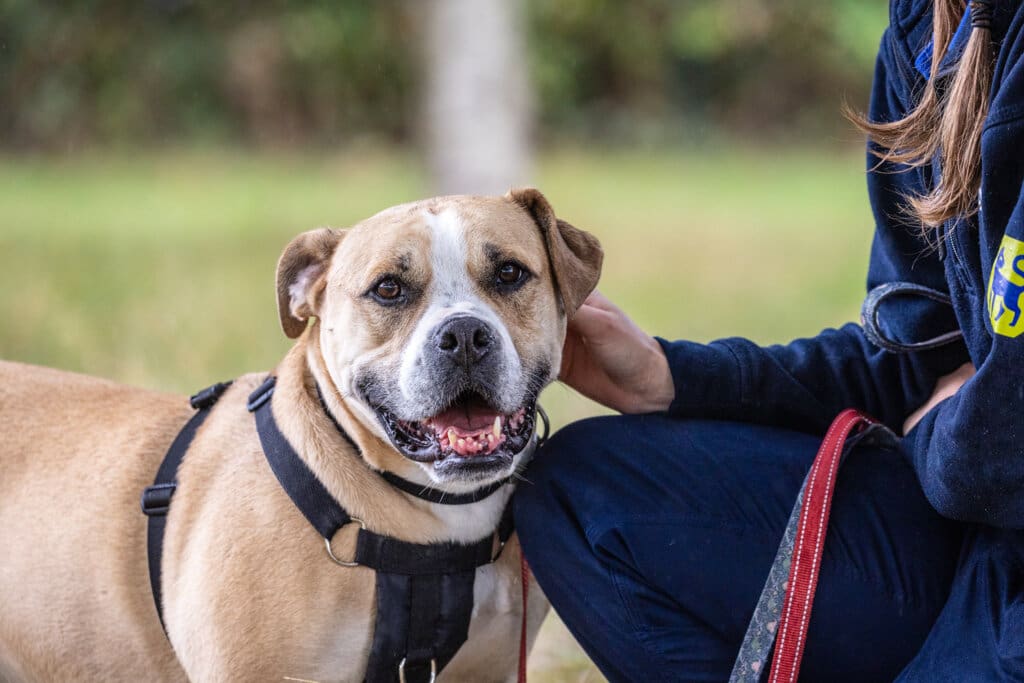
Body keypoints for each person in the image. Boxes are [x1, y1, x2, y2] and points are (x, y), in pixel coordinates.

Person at [514, 0, 1024, 680]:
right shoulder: (928, 28)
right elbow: (911, 359)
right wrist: (673, 376)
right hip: (970, 537)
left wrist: (946, 430)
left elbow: (999, 438)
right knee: (580, 494)